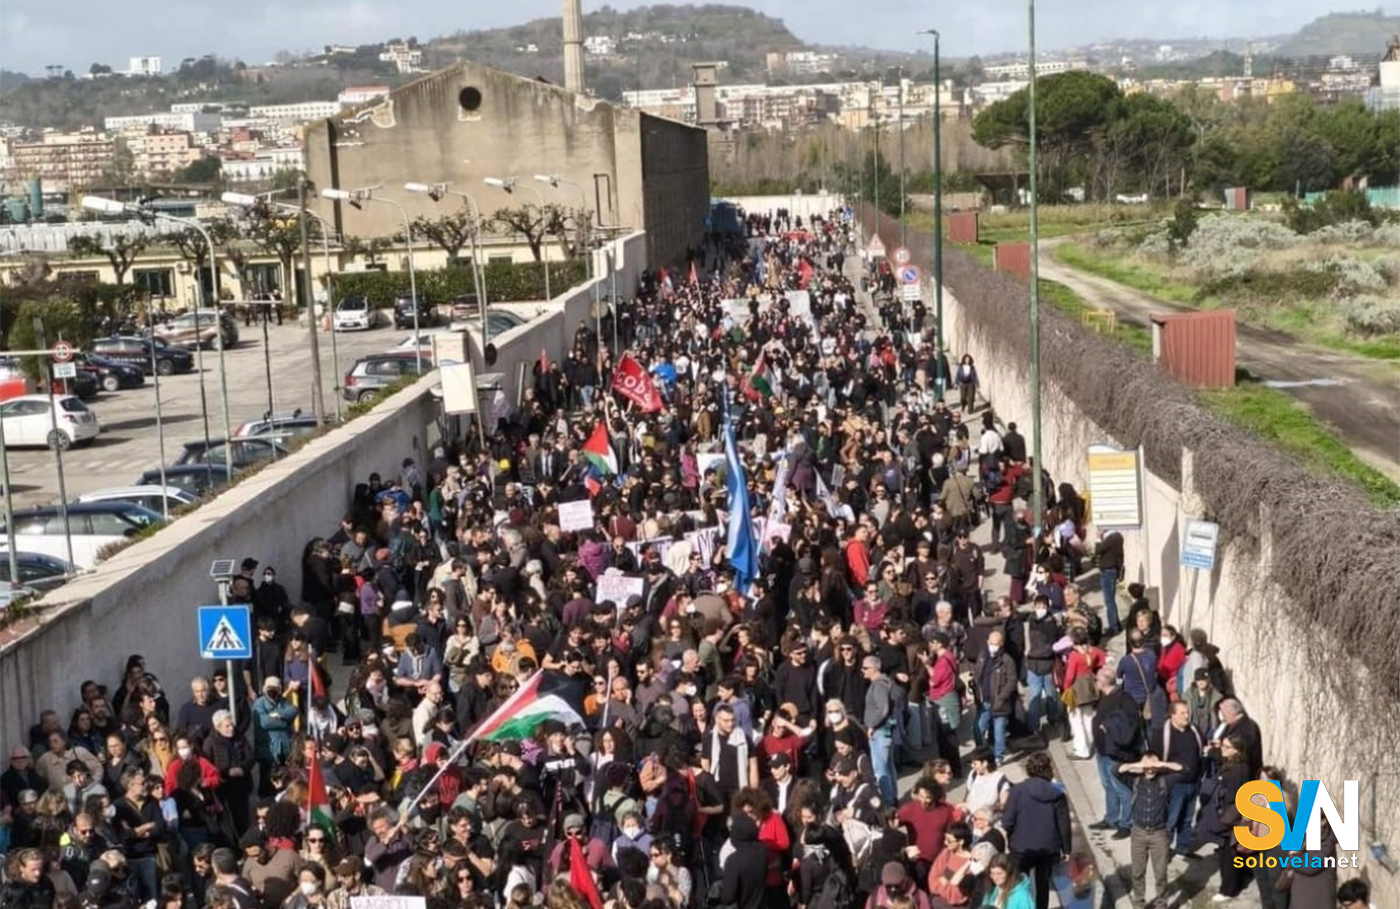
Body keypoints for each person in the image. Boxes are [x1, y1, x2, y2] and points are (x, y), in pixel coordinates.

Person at [1001, 752, 1070, 909]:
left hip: (1021, 847)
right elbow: (1063, 823)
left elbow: (1008, 820)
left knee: (1018, 883)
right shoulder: (1057, 794)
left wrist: (1008, 837)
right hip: (1048, 847)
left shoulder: (1018, 790)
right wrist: (1066, 849)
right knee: (1043, 883)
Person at [1118, 753, 1180, 909]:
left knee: (1160, 873)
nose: (1150, 769)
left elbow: (1184, 770)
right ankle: (1139, 903)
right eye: (1147, 765)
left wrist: (1162, 763)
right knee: (1137, 872)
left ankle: (1161, 903)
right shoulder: (1135, 780)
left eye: (1153, 766)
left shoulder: (1165, 781)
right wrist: (1139, 763)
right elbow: (1116, 770)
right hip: (1138, 832)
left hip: (1159, 834)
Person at [1091, 668, 1142, 838]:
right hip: (1102, 750)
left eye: (1098, 678)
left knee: (1121, 788)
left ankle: (1126, 823)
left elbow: (1129, 726)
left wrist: (1109, 727)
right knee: (1108, 786)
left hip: (1116, 753)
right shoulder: (1106, 697)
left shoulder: (1124, 699)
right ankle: (1111, 818)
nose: (1095, 681)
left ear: (1106, 680)